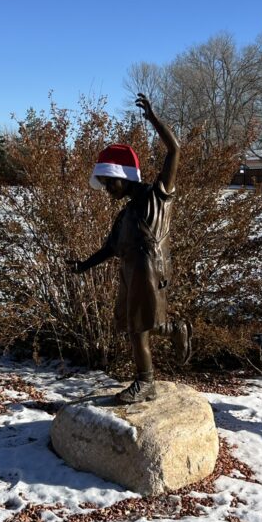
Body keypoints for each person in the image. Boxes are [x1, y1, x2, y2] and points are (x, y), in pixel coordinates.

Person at [71, 93, 192, 404]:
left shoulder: (158, 196)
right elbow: (110, 248)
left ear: (122, 177)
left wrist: (152, 118)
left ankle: (145, 382)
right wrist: (83, 265)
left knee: (139, 328)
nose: (107, 190)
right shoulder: (124, 215)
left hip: (151, 271)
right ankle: (174, 329)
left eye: (109, 183)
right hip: (130, 274)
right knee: (130, 325)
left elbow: (175, 150)